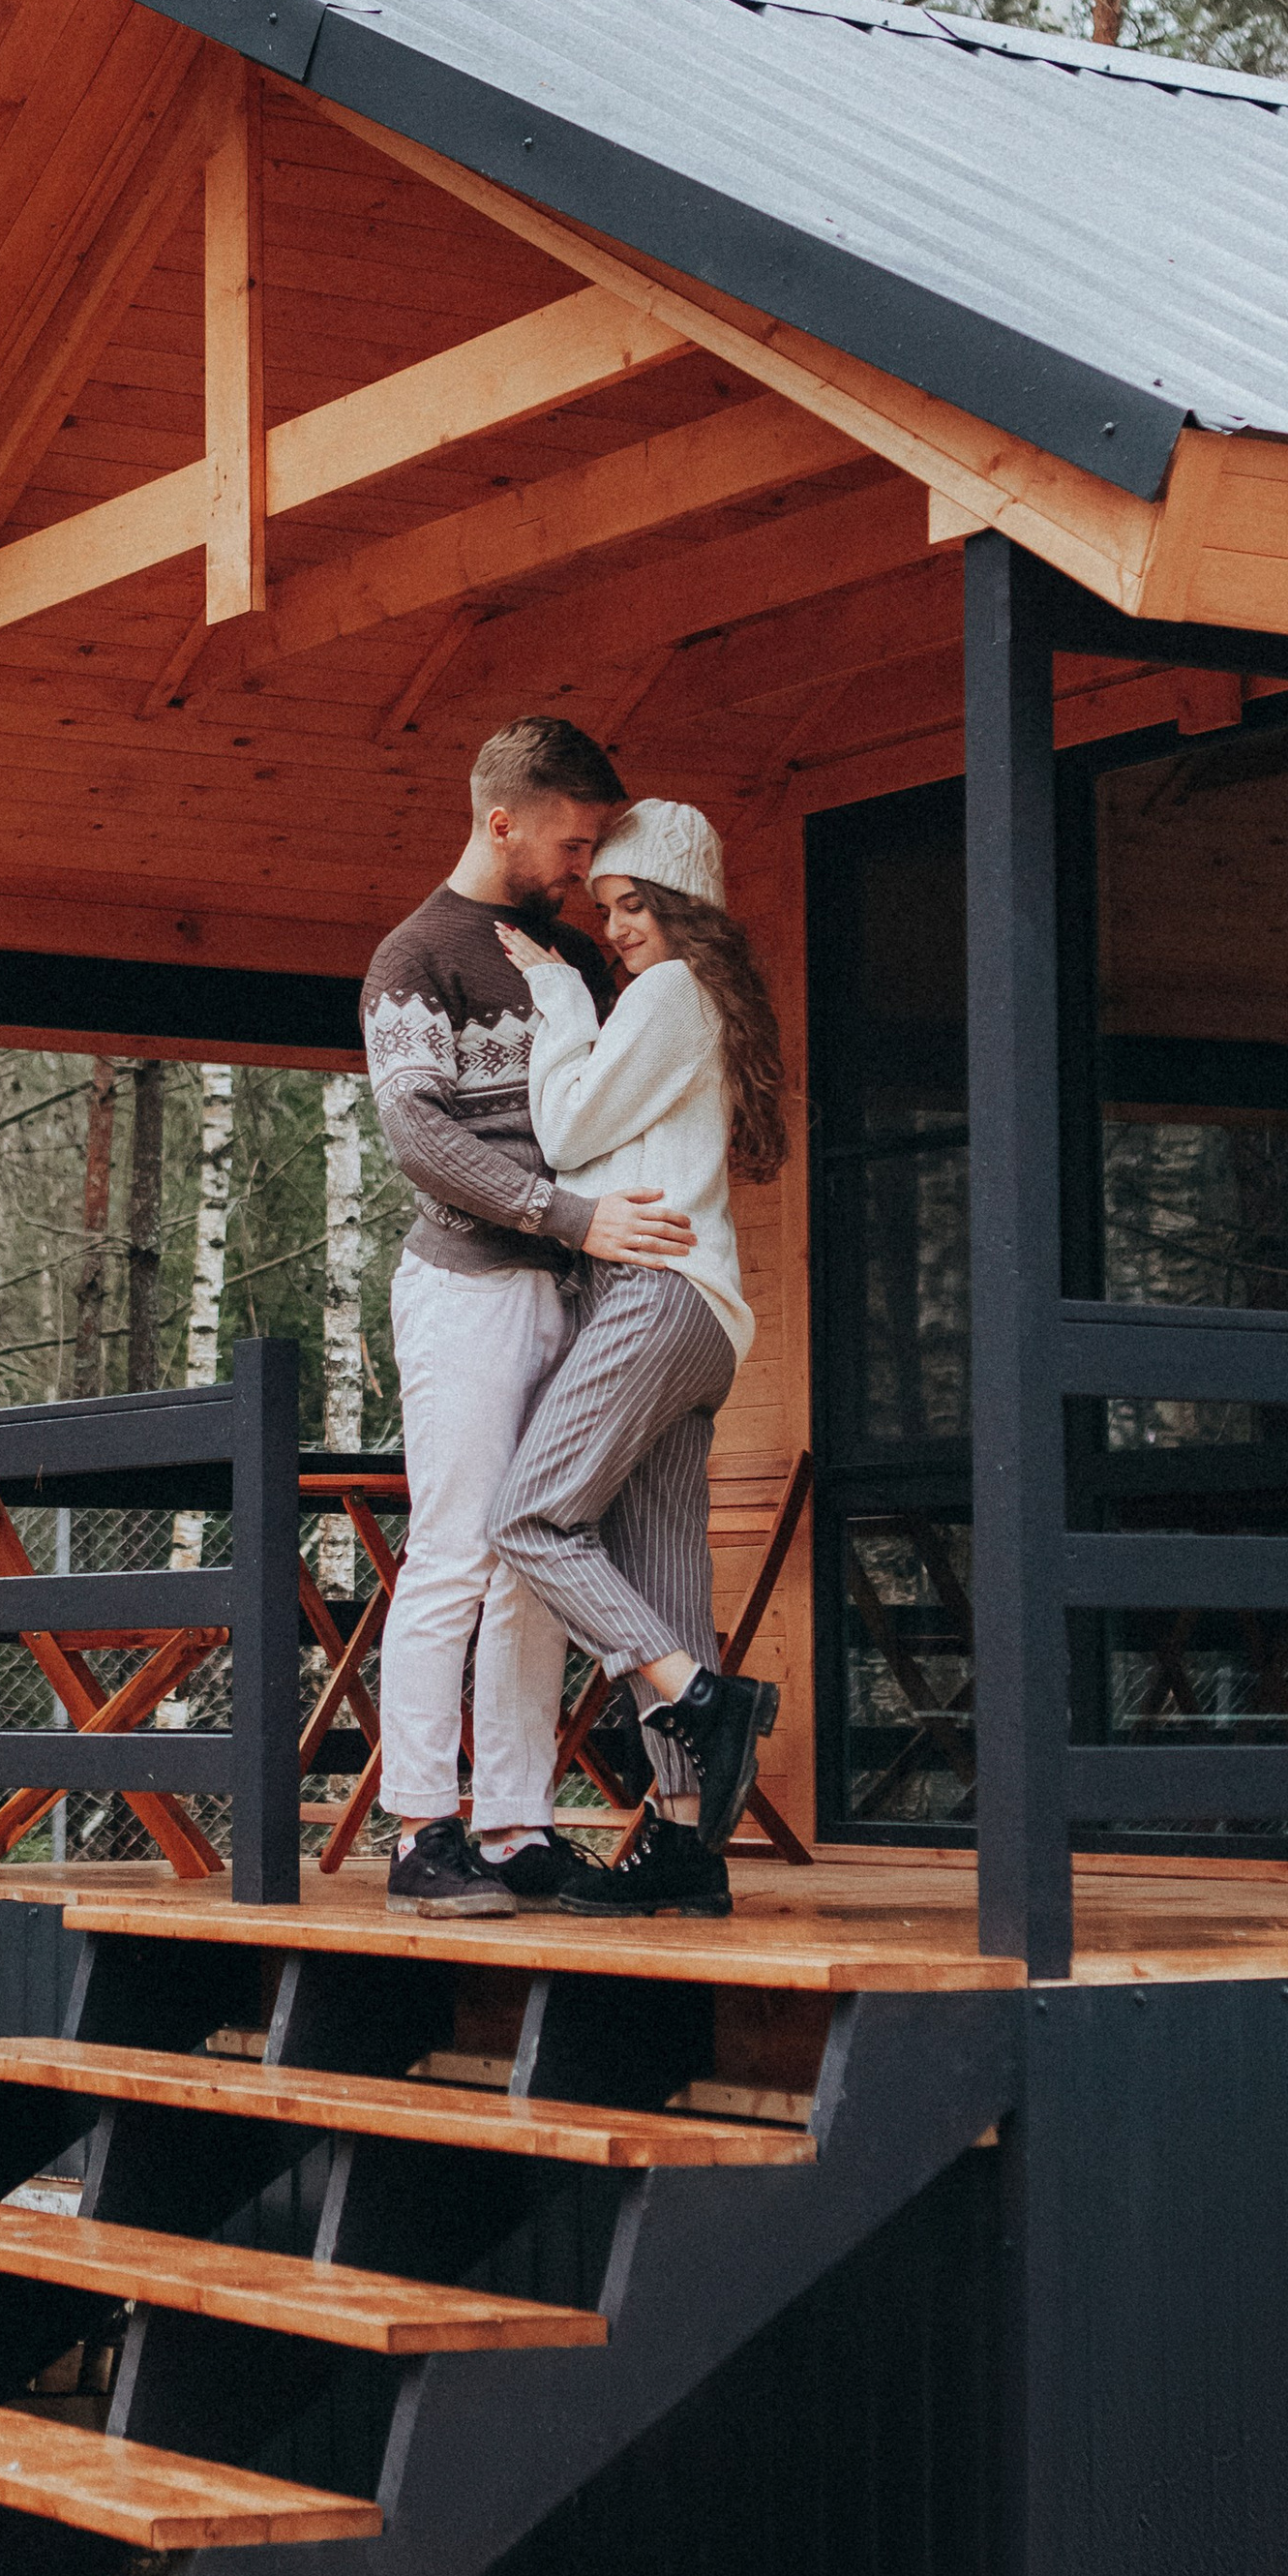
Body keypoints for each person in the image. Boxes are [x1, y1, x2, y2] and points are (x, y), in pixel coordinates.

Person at [362, 718, 696, 1916]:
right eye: (574, 837)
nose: (584, 861)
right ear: (503, 819)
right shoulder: (415, 955)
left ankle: (513, 1827)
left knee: (533, 1563)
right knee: (453, 1554)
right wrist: (570, 1217)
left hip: (580, 1294)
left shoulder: (570, 957)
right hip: (467, 1288)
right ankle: (418, 1832)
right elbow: (420, 1136)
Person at [490, 797, 789, 1920]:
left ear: (680, 905)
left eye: (630, 905)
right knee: (662, 1566)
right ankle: (681, 1845)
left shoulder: (666, 994)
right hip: (700, 1319)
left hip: (655, 1300)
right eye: (603, 907)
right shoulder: (691, 1001)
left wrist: (559, 992)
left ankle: (698, 1698)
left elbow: (564, 1135)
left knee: (528, 1518)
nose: (612, 927)